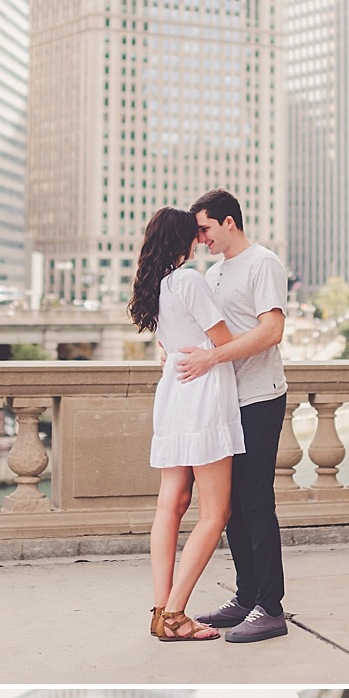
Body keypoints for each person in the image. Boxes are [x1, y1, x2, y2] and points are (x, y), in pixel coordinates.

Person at [177, 192, 290, 644]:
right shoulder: (214, 271)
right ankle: (246, 599)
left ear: (229, 222)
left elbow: (272, 330)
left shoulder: (263, 263)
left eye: (205, 229)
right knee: (230, 509)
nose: (200, 238)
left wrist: (213, 358)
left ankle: (271, 608)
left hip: (260, 397)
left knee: (256, 501)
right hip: (223, 401)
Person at [133, 207, 246, 643]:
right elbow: (224, 344)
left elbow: (171, 344)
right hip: (202, 395)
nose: (201, 239)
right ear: (182, 239)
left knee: (170, 505)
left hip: (174, 395)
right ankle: (177, 614)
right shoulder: (190, 280)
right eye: (195, 234)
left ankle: (161, 609)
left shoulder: (155, 286)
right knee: (215, 511)